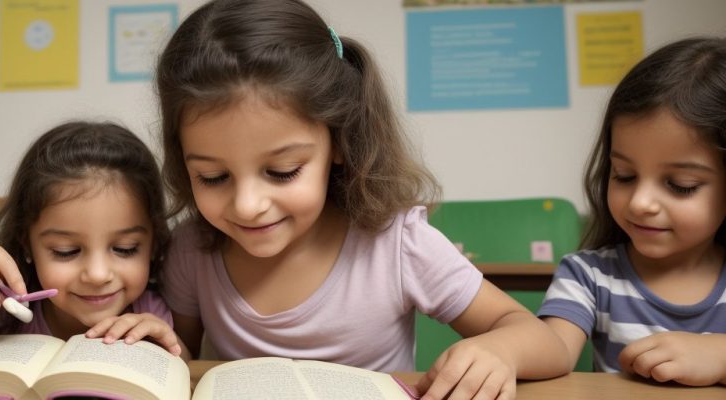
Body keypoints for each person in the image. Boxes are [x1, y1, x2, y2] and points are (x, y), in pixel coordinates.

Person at [155, 0, 568, 398]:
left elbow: (545, 343)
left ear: (339, 141)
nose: (247, 205)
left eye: (283, 172)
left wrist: (501, 350)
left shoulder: (397, 244)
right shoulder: (194, 249)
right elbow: (182, 361)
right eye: (212, 177)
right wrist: (155, 345)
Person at [538, 37, 726, 386]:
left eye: (680, 184)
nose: (640, 202)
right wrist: (501, 350)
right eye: (624, 176)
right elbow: (551, 351)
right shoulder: (587, 276)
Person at [0, 121, 183, 357]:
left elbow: (183, 365)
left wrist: (167, 344)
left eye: (126, 249)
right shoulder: (11, 302)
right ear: (27, 244)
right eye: (66, 251)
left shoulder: (148, 310)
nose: (98, 275)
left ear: (153, 243)